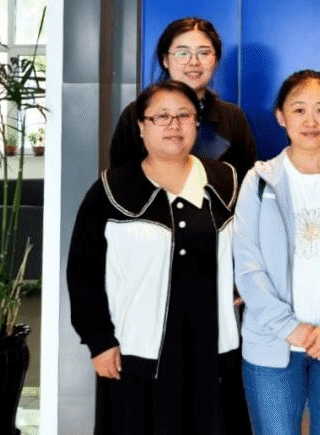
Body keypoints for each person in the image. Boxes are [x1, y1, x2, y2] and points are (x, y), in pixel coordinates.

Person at [67, 80, 241, 435]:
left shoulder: (226, 182)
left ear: (196, 123)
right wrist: (100, 341)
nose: (174, 125)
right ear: (142, 127)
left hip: (212, 347)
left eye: (183, 115)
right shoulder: (112, 189)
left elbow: (252, 251)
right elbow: (83, 272)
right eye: (161, 117)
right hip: (136, 350)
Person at [234, 70, 320, 435]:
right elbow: (247, 265)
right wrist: (288, 327)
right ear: (281, 116)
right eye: (299, 110)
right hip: (271, 346)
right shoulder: (259, 180)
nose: (310, 121)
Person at [110, 16, 257, 182]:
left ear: (215, 60)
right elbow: (119, 183)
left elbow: (246, 186)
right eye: (182, 53)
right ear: (165, 60)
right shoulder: (136, 113)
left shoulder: (233, 118)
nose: (194, 62)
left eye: (204, 53)